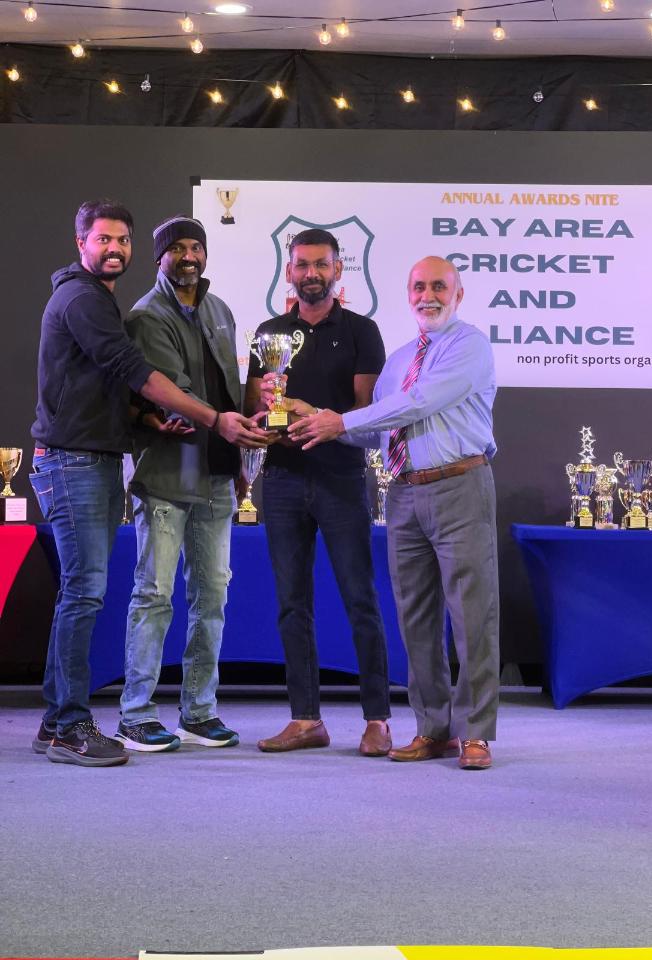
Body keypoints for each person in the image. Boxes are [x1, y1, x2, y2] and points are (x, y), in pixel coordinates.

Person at [30, 200, 266, 768]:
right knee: (101, 593)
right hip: (93, 464)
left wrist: (149, 419)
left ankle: (71, 721)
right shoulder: (93, 301)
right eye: (103, 239)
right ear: (81, 242)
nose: (114, 249)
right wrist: (215, 421)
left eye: (121, 240)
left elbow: (111, 389)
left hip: (124, 461)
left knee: (197, 594)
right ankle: (88, 722)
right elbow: (136, 373)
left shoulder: (198, 308)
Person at [286, 255, 499, 770]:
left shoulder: (469, 345)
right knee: (416, 618)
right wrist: (318, 419)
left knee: (472, 615)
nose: (428, 295)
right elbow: (377, 432)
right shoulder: (401, 358)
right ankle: (433, 729)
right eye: (419, 287)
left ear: (459, 294)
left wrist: (340, 421)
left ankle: (475, 734)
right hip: (403, 494)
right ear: (408, 295)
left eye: (439, 286)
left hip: (459, 485)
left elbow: (420, 402)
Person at [116, 215, 270, 752]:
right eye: (177, 248)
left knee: (212, 596)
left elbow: (230, 391)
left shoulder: (220, 309)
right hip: (167, 474)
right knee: (154, 595)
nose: (188, 257)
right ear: (160, 257)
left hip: (217, 475)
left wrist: (251, 431)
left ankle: (199, 711)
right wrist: (225, 423)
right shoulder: (146, 316)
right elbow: (172, 391)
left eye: (196, 248)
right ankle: (136, 714)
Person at [244, 228, 392, 756]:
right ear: (289, 271)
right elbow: (256, 408)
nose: (311, 274)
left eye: (321, 265)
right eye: (303, 265)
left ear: (337, 270)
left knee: (360, 599)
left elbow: (368, 412)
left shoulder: (361, 331)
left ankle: (377, 719)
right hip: (282, 478)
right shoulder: (269, 334)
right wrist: (267, 418)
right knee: (292, 604)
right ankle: (306, 719)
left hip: (339, 477)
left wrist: (317, 416)